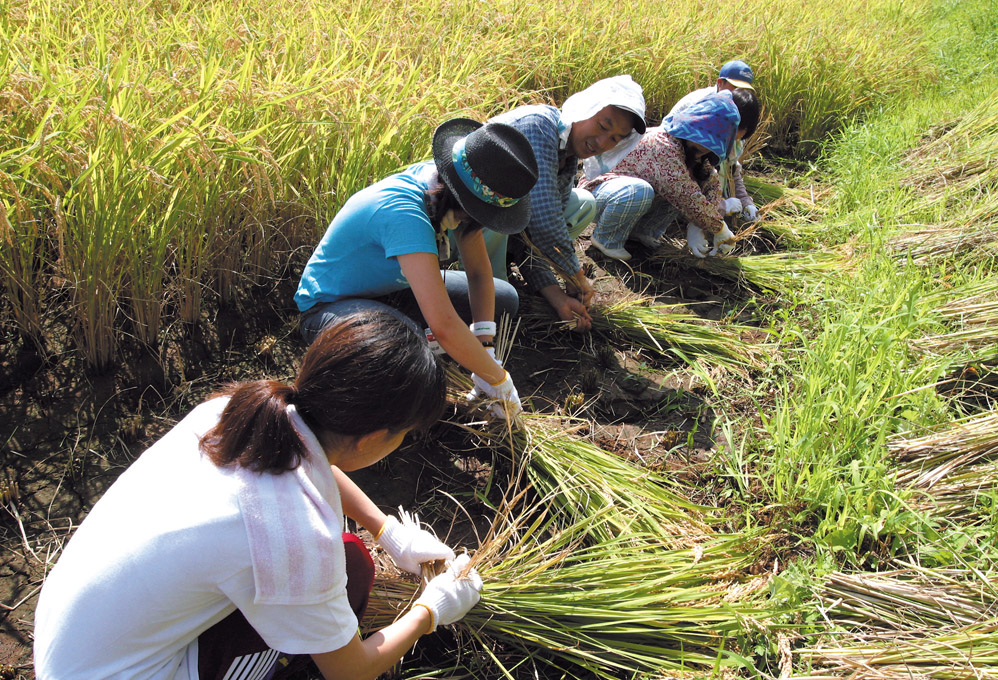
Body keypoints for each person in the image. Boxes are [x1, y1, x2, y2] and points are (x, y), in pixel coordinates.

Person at [35, 312, 483, 680]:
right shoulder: (294, 534)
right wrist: (431, 609)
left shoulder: (237, 410)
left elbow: (312, 462)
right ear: (372, 438)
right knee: (349, 572)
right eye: (403, 434)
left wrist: (387, 531)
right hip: (116, 672)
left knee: (349, 560)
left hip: (69, 637)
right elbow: (351, 671)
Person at [294, 119, 539, 419]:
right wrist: (497, 379)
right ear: (461, 196)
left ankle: (421, 345)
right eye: (475, 213)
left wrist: (484, 346)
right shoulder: (405, 213)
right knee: (409, 355)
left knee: (504, 301)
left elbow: (478, 274)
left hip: (394, 290)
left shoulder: (448, 188)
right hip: (331, 308)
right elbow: (445, 326)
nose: (473, 222)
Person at [487, 75, 647, 332]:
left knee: (582, 203)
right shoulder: (538, 128)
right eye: (603, 125)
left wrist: (556, 295)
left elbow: (533, 236)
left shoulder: (568, 157)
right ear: (588, 108)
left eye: (615, 139)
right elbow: (543, 219)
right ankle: (488, 286)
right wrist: (575, 275)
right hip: (461, 223)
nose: (603, 143)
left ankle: (500, 264)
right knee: (503, 302)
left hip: (502, 228)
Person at [579, 91, 741, 261]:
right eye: (702, 140)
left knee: (684, 187)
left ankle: (643, 232)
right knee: (641, 190)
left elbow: (712, 185)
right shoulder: (664, 146)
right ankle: (606, 239)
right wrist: (719, 228)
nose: (704, 148)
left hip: (623, 196)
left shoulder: (694, 153)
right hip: (599, 193)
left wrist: (699, 225)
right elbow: (687, 196)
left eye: (710, 145)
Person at [664, 60, 761, 223]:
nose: (737, 92)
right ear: (720, 83)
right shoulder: (703, 112)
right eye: (733, 86)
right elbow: (685, 169)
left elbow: (731, 168)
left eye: (743, 89)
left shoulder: (735, 115)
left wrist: (746, 202)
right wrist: (717, 207)